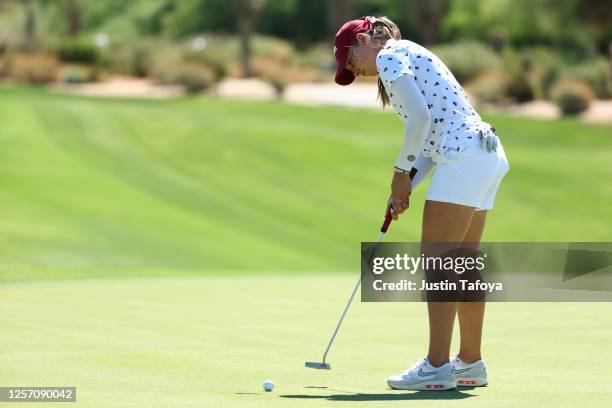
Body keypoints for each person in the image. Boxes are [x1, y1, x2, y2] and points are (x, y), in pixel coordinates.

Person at [333, 16, 509, 391]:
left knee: (440, 264)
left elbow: (420, 119)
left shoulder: (388, 55)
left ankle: (438, 366)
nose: (356, 70)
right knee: (461, 263)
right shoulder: (407, 53)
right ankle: (470, 363)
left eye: (351, 61)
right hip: (483, 155)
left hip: (463, 155)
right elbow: (429, 138)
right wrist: (406, 187)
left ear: (364, 40)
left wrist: (399, 172)